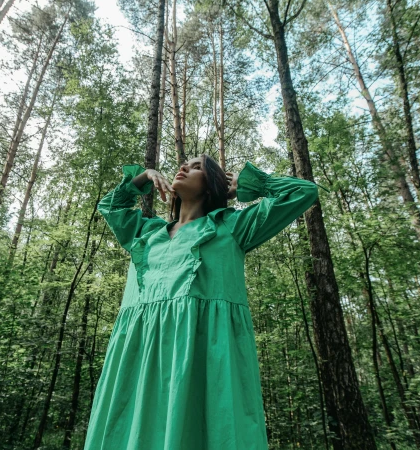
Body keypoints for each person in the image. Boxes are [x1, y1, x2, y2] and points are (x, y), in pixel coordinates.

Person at [83, 154, 320, 450]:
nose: (183, 168)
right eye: (184, 164)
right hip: (137, 357)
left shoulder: (233, 226)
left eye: (197, 168)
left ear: (212, 187)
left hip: (204, 357)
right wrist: (143, 176)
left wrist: (246, 184)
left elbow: (304, 192)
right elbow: (110, 205)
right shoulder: (144, 233)